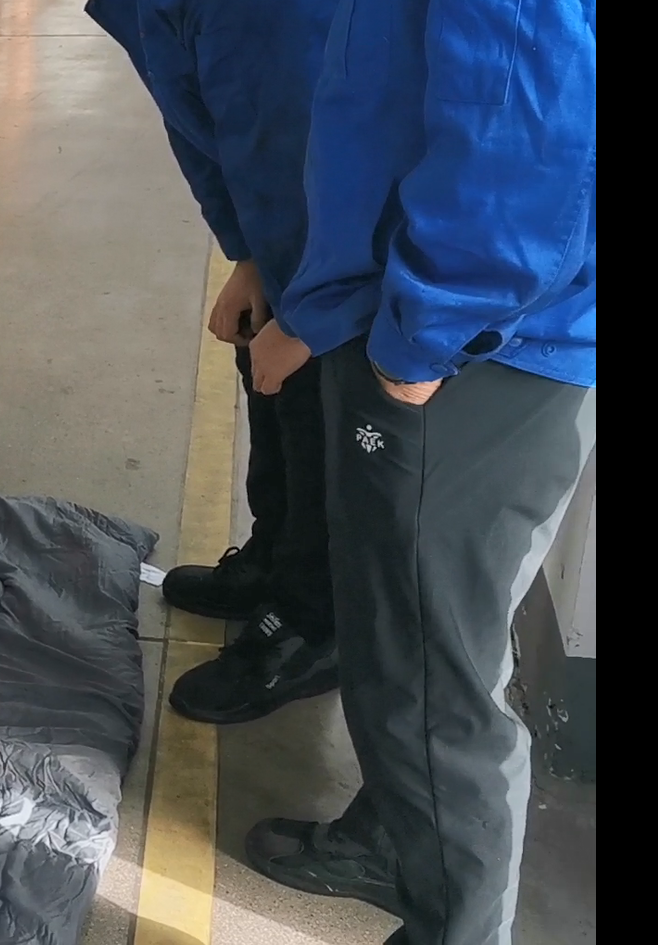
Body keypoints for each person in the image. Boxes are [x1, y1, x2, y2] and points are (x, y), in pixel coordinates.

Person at [244, 0, 597, 942]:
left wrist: (423, 340)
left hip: (467, 347)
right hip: (431, 324)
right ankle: (397, 843)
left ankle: (459, 927)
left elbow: (526, 125)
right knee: (406, 648)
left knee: (432, 681)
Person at [85, 0, 342, 726]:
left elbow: (308, 151)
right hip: (285, 239)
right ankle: (274, 557)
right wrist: (249, 257)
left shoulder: (272, 16)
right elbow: (205, 130)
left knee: (314, 400)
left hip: (336, 257)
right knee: (259, 358)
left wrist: (309, 312)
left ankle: (311, 623)